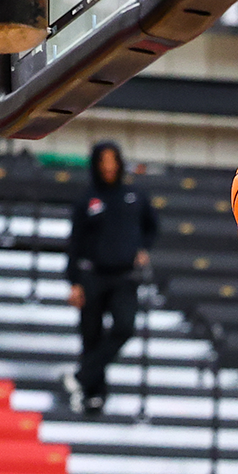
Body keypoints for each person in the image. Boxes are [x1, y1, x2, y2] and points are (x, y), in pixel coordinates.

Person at [62, 141, 157, 415]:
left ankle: (81, 376)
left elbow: (152, 226)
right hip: (92, 274)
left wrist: (143, 249)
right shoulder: (87, 200)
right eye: (103, 161)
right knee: (91, 335)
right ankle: (94, 395)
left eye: (112, 160)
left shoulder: (135, 196)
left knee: (124, 326)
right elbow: (75, 243)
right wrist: (74, 281)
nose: (108, 166)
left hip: (124, 276)